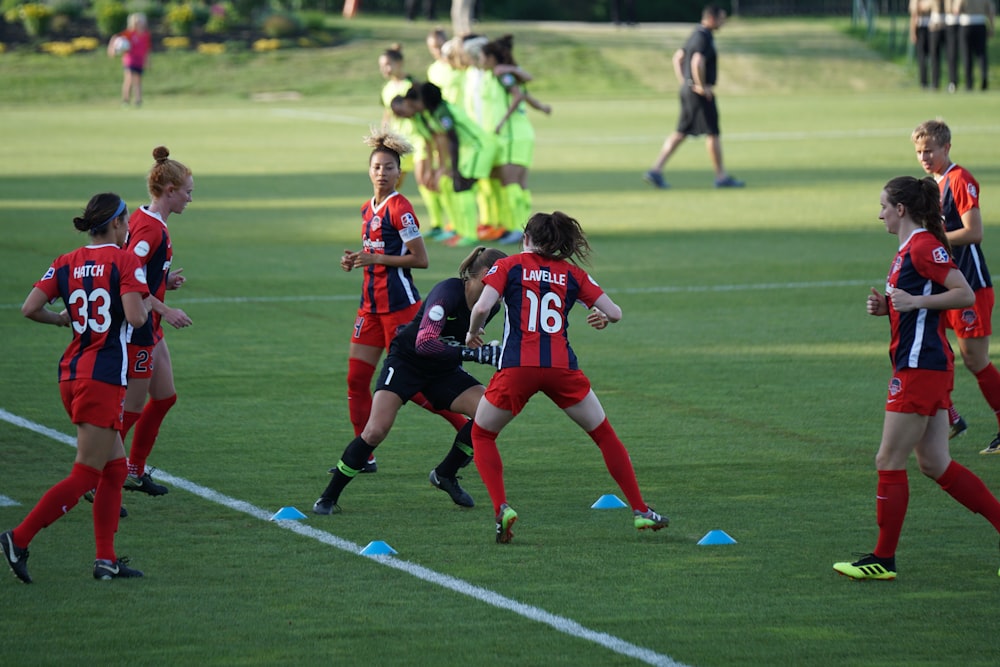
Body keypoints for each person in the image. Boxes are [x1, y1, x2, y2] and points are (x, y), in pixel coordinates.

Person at [465, 211, 670, 543]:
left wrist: (473, 333)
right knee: (604, 435)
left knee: (483, 435)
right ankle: (641, 510)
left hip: (518, 367)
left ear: (526, 238)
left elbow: (480, 307)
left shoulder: (508, 265)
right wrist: (602, 317)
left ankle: (502, 508)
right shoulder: (573, 274)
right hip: (562, 367)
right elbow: (615, 313)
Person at [833, 176, 1000, 581]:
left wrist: (915, 301)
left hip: (920, 367)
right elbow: (915, 305)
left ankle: (882, 559)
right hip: (924, 364)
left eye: (884, 207)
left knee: (888, 459)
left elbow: (962, 293)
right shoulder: (908, 248)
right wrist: (888, 309)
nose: (880, 214)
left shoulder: (925, 246)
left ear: (902, 209)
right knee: (935, 463)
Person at [2, 193, 150, 584]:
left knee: (114, 470)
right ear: (116, 224)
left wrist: (61, 320)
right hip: (102, 378)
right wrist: (151, 304)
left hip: (72, 374)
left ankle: (106, 561)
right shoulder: (125, 260)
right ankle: (18, 538)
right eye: (127, 220)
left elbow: (29, 308)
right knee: (86, 474)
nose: (129, 227)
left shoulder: (65, 262)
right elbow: (135, 318)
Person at [314, 246, 506, 515]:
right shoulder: (448, 292)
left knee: (489, 412)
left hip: (443, 369)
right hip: (407, 362)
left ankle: (445, 474)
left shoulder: (491, 306)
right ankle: (328, 497)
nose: (508, 284)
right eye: (505, 276)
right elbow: (425, 344)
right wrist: (474, 353)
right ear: (487, 274)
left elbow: (464, 338)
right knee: (375, 431)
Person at [342, 128, 469, 473]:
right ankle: (363, 455)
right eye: (376, 167)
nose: (381, 173)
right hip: (369, 309)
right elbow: (377, 253)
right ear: (369, 171)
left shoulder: (401, 208)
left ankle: (468, 433)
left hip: (401, 309)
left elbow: (420, 259)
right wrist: (357, 259)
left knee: (415, 388)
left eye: (388, 168)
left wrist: (376, 259)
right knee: (356, 380)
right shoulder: (368, 208)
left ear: (400, 174)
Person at [911, 120, 1000, 454]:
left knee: (975, 360)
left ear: (947, 147)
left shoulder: (960, 179)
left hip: (970, 285)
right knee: (936, 348)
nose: (924, 156)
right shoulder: (933, 183)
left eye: (929, 150)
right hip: (944, 284)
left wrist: (931, 239)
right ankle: (950, 416)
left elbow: (974, 232)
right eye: (919, 151)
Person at [119, 146, 195, 497]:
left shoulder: (147, 221)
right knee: (131, 408)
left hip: (152, 324)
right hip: (139, 326)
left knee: (164, 397)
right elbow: (128, 281)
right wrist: (167, 309)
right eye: (187, 193)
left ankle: (133, 470)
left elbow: (144, 278)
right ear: (170, 191)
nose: (190, 201)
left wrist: (166, 283)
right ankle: (99, 474)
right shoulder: (150, 231)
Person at [644, 4, 743, 190]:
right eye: (721, 19)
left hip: (688, 91)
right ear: (711, 18)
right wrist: (700, 85)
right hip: (698, 94)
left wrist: (685, 82)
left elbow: (678, 58)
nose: (723, 23)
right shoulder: (703, 36)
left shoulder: (695, 34)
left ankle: (655, 170)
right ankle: (721, 177)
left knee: (681, 132)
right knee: (713, 132)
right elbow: (697, 61)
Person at [392, 82, 497, 248]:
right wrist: (442, 167)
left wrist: (450, 167)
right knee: (454, 186)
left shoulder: (442, 112)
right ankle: (459, 229)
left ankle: (469, 233)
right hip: (469, 149)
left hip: (479, 147)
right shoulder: (431, 113)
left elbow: (452, 140)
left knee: (463, 186)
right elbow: (439, 140)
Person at [480, 35, 553, 245]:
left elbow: (518, 95)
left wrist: (502, 121)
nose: (481, 61)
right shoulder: (495, 75)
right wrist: (542, 107)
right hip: (513, 134)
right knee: (514, 184)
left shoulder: (502, 75)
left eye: (483, 57)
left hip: (513, 135)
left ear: (492, 57)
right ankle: (519, 227)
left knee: (512, 183)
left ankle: (516, 228)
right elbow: (525, 94)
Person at [106, 13, 151, 108]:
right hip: (130, 60)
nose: (139, 24)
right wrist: (111, 49)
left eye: (141, 22)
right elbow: (115, 37)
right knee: (129, 79)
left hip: (139, 60)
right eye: (137, 22)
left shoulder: (146, 34)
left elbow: (147, 49)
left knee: (138, 80)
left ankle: (138, 100)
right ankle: (126, 100)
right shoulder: (129, 33)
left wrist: (147, 61)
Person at [958, 0, 994, 91]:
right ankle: (983, 78)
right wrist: (991, 26)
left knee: (967, 55)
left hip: (966, 24)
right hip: (980, 23)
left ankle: (969, 83)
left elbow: (956, 9)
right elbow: (990, 9)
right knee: (981, 54)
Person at [910, 0, 936, 88]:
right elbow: (914, 13)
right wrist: (913, 32)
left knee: (933, 56)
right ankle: (923, 82)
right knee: (921, 57)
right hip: (920, 27)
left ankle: (934, 81)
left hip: (932, 27)